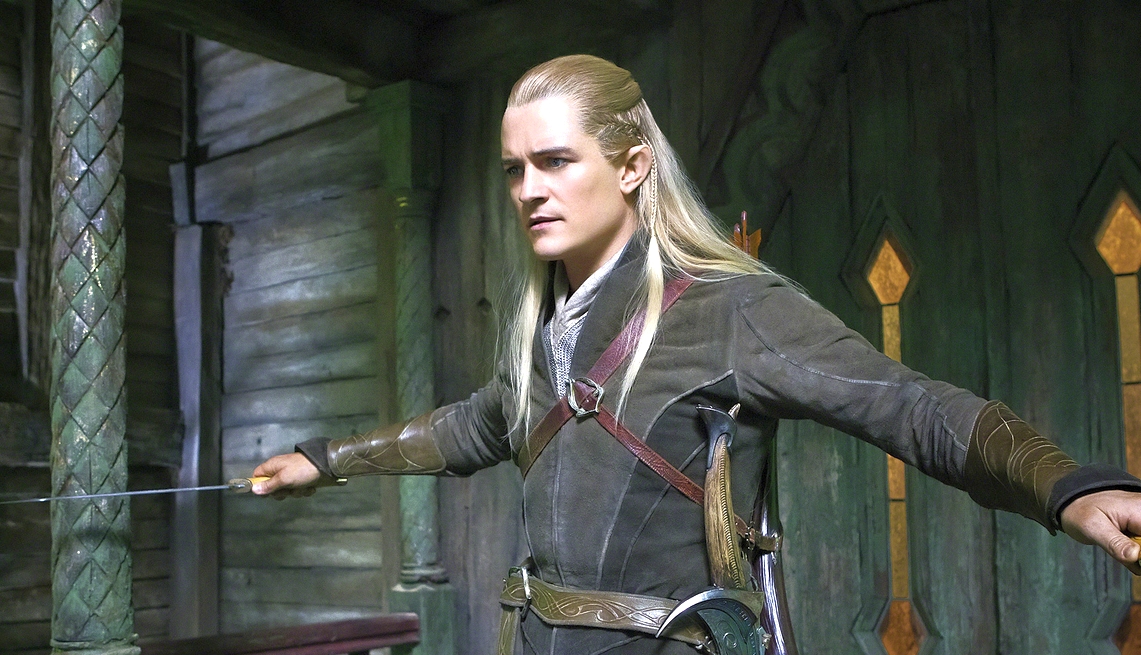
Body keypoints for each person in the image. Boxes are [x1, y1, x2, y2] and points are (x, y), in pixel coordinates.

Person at [252, 55, 1141, 654]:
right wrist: (324, 459)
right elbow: (472, 427)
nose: (528, 190)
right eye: (515, 169)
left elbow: (909, 405)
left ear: (632, 166)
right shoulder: (545, 328)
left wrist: (1062, 485)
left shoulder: (730, 310)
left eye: (555, 161)